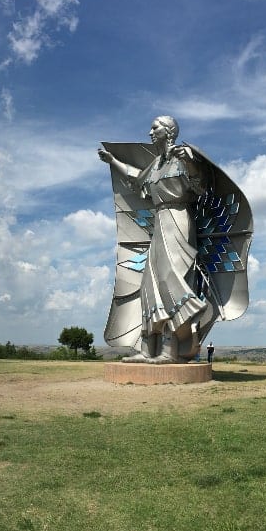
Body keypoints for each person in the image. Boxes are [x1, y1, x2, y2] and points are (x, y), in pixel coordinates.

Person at [99, 116, 208, 364]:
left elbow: (200, 186)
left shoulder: (184, 157)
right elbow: (137, 178)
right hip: (160, 222)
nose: (150, 132)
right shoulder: (157, 164)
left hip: (178, 218)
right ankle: (148, 349)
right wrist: (113, 161)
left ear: (168, 131)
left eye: (155, 127)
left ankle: (170, 351)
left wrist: (191, 162)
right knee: (151, 283)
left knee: (172, 279)